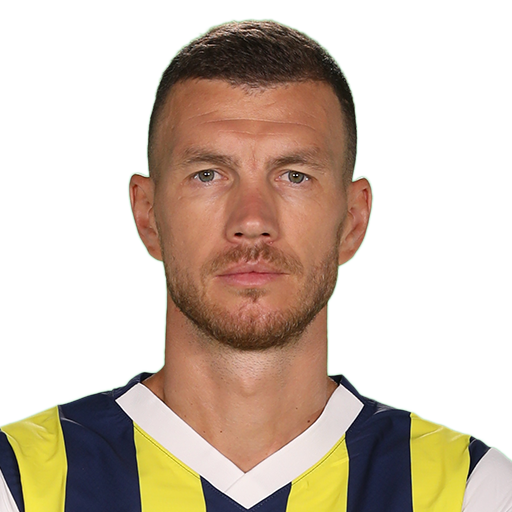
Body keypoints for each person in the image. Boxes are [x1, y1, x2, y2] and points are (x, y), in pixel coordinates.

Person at [1, 20, 511, 512]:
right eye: (208, 174)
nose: (251, 221)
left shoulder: (470, 491)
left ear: (353, 221)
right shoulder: (19, 483)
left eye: (294, 175)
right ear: (148, 215)